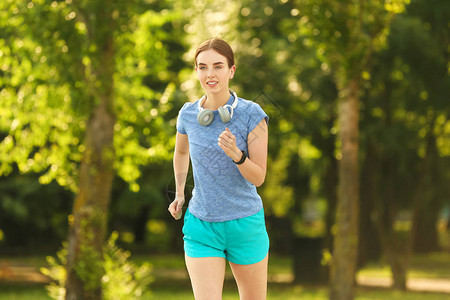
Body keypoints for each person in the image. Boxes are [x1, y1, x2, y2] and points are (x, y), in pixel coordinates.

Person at [168, 38, 269, 300]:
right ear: (197, 71)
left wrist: (238, 155)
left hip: (245, 224)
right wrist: (180, 193)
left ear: (231, 70)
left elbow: (258, 177)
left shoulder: (252, 114)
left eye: (217, 66)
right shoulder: (188, 115)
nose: (210, 74)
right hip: (202, 225)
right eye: (202, 67)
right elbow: (181, 151)